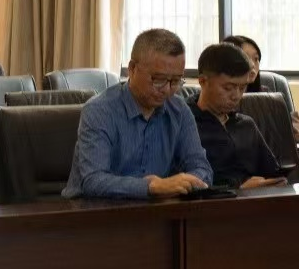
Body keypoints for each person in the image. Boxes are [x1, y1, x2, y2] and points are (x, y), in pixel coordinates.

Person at [63, 29, 213, 199]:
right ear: (132, 69)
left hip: (157, 209)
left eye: (176, 81)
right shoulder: (99, 111)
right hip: (92, 209)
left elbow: (203, 168)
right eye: (158, 79)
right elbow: (94, 181)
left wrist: (188, 181)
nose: (167, 89)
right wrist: (152, 187)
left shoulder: (179, 110)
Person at [188, 43, 287, 190]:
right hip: (214, 201)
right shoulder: (184, 123)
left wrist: (276, 182)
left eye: (242, 87)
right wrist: (238, 189)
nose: (236, 96)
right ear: (203, 81)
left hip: (260, 199)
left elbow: (272, 173)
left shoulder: (246, 124)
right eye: (228, 88)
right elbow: (183, 183)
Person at [223, 34, 299, 140]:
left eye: (256, 59)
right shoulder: (220, 97)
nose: (253, 65)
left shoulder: (266, 94)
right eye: (246, 58)